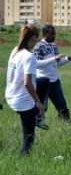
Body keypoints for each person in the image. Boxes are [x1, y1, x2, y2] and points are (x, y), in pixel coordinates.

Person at [5, 25, 44, 157]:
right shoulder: (29, 56)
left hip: (10, 95)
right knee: (29, 136)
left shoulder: (15, 50)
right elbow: (27, 83)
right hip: (22, 100)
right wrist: (39, 103)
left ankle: (36, 116)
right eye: (36, 39)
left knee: (43, 81)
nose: (36, 42)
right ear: (32, 38)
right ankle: (22, 161)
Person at [33, 24, 71, 127]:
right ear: (45, 34)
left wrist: (67, 59)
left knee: (62, 106)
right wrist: (54, 58)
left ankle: (67, 126)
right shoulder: (38, 46)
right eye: (52, 33)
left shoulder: (53, 46)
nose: (55, 36)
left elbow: (57, 63)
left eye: (55, 33)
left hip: (55, 82)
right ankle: (34, 126)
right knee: (41, 108)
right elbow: (37, 64)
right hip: (42, 82)